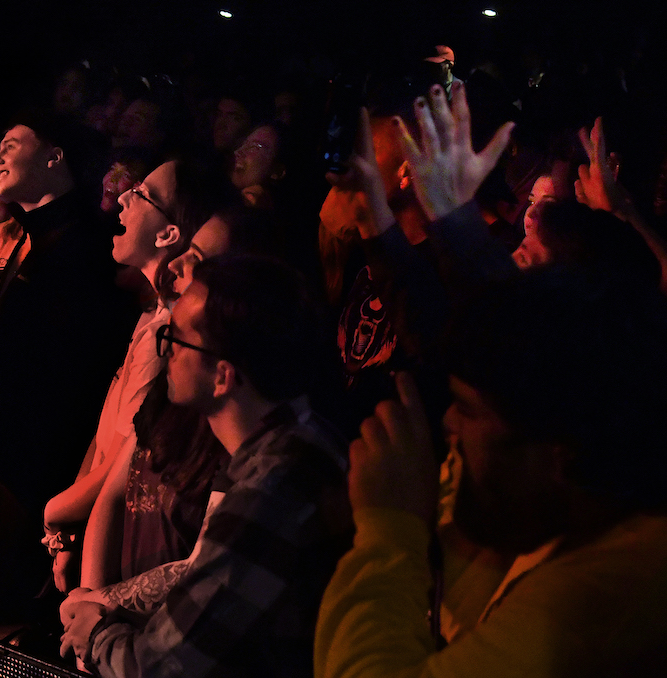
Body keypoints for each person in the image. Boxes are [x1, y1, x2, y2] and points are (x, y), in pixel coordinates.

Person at [315, 269, 667, 676]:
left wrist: (388, 530)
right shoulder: (605, 524)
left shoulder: (592, 608)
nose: (449, 424)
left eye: (468, 410)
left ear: (561, 455)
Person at [60, 255, 351, 677]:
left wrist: (96, 635)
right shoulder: (285, 446)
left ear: (223, 376)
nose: (167, 352)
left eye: (178, 340)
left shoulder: (272, 488)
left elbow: (160, 668)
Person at [0, 113, 133, 532]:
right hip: (0, 456)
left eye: (10, 145)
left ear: (54, 157)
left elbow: (68, 381)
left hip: (36, 476)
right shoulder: (22, 237)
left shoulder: (86, 248)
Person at [42, 160, 212, 590]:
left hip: (127, 557)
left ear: (168, 234)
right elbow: (105, 441)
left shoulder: (167, 336)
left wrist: (57, 512)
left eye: (141, 192)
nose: (123, 197)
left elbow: (123, 466)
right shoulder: (149, 318)